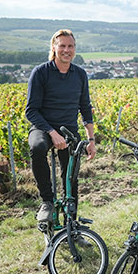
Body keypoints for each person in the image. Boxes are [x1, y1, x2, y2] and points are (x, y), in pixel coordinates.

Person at [25, 29, 96, 223]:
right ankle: (47, 202)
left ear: (74, 49)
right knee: (37, 147)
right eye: (62, 46)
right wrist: (52, 133)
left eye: (70, 46)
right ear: (54, 48)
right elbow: (31, 111)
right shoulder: (41, 72)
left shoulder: (80, 74)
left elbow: (85, 108)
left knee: (71, 175)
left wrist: (91, 139)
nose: (67, 50)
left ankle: (71, 223)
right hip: (43, 127)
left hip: (69, 131)